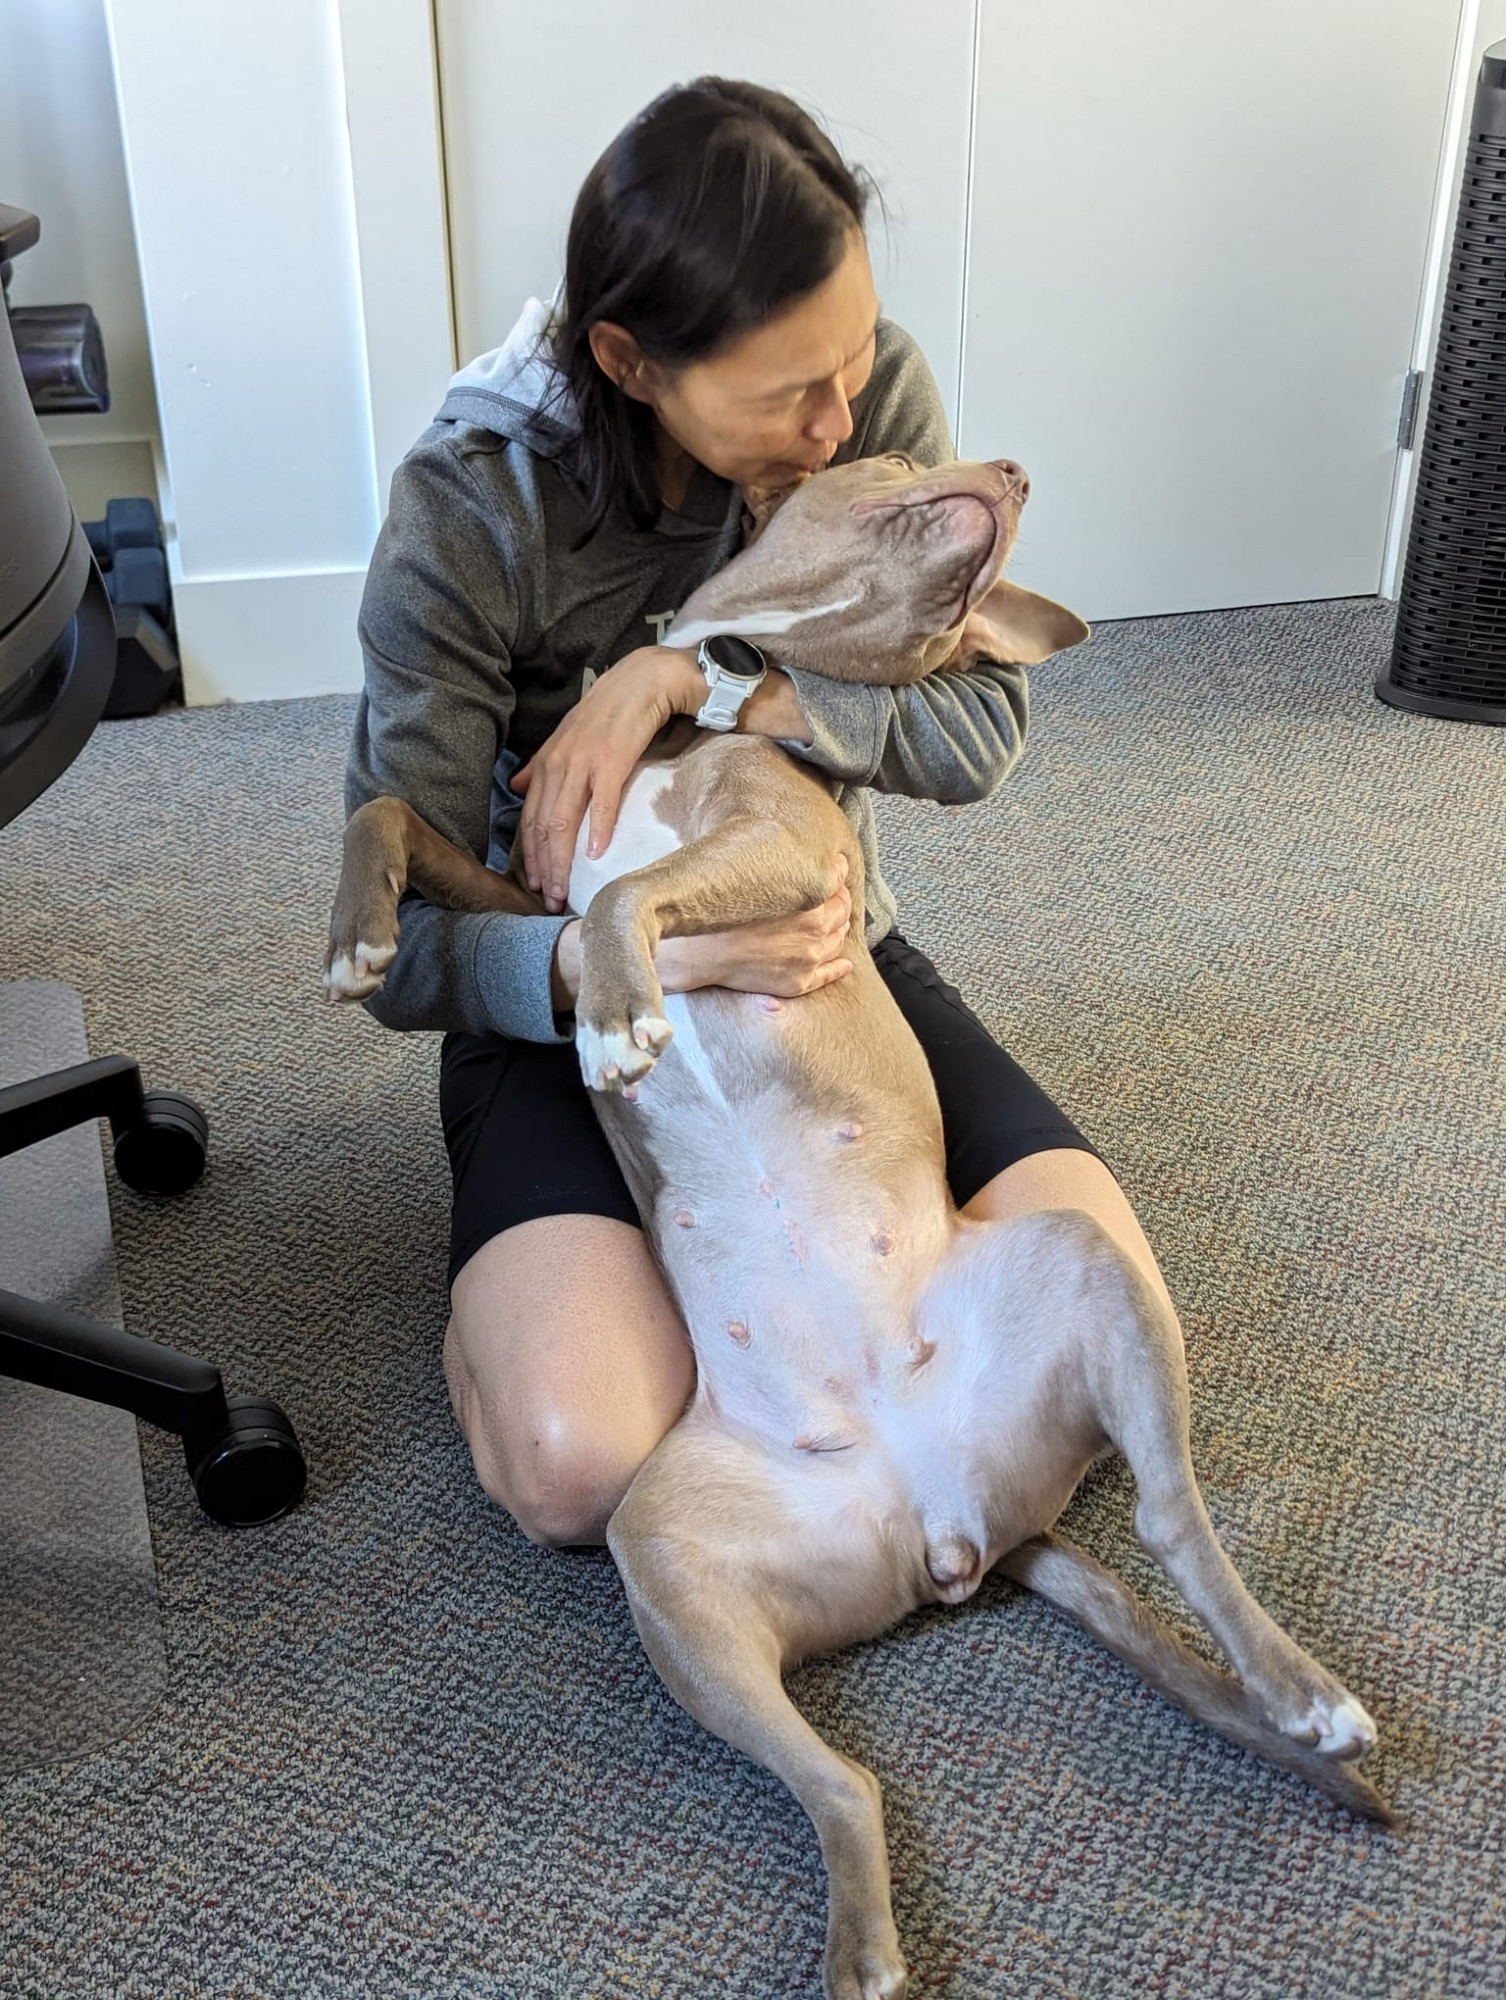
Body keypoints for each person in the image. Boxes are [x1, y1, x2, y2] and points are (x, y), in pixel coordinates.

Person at [346, 77, 1182, 1547]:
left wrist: (688, 677)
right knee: (578, 1466)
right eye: (791, 392)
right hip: (560, 1002)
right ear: (627, 358)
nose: (841, 417)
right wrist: (611, 963)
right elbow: (405, 953)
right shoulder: (470, 511)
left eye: (855, 360)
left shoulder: (862, 404)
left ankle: (710, 1268)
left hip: (812, 961)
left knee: (1109, 1343)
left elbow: (976, 728)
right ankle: (524, 1305)